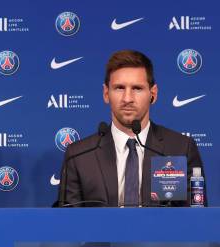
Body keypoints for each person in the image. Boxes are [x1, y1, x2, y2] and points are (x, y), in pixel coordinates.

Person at [56, 50, 206, 207]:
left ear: (153, 94)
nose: (127, 98)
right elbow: (69, 225)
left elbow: (196, 220)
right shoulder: (79, 156)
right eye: (119, 88)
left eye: (137, 88)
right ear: (106, 93)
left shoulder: (180, 149)